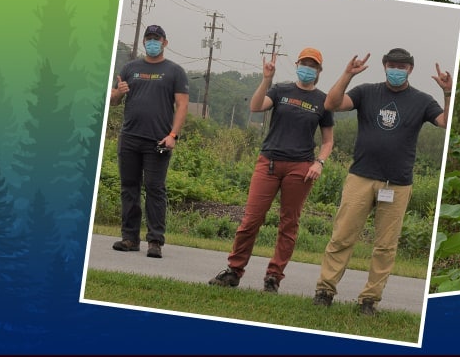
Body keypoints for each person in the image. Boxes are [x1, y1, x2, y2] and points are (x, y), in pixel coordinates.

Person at [312, 48, 452, 316]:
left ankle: (369, 301)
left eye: (402, 66)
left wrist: (447, 92)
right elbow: (331, 104)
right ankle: (324, 291)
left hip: (397, 184)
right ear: (384, 65)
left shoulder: (422, 100)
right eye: (391, 65)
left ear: (410, 69)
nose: (396, 70)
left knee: (385, 246)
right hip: (360, 177)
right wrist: (347, 74)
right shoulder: (366, 92)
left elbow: (446, 121)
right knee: (341, 236)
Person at [208, 48, 335, 292]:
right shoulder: (280, 90)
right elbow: (256, 106)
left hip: (300, 167)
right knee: (251, 219)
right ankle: (234, 271)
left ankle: (273, 276)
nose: (308, 69)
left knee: (289, 223)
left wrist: (319, 163)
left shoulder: (323, 100)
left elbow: (328, 141)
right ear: (297, 64)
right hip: (269, 163)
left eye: (313, 65)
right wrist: (267, 79)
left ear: (319, 70)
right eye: (304, 64)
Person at [109, 24, 189, 259]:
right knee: (129, 188)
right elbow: (113, 101)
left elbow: (182, 105)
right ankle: (130, 238)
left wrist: (173, 135)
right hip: (130, 138)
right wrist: (119, 92)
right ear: (144, 42)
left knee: (155, 189)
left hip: (159, 141)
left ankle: (155, 241)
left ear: (165, 42)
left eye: (157, 38)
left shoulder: (175, 71)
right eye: (149, 38)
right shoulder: (130, 68)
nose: (152, 42)